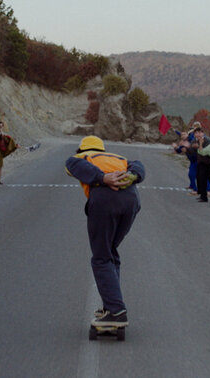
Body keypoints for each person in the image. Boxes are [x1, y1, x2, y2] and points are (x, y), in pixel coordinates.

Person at [65, 136, 145, 327]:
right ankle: (111, 306)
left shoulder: (80, 157)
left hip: (104, 200)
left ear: (81, 149)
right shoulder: (118, 157)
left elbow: (73, 166)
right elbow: (139, 166)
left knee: (101, 257)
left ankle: (116, 311)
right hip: (131, 200)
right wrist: (132, 176)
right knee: (110, 252)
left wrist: (102, 178)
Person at [194, 128, 210, 202]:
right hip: (201, 162)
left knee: (208, 179)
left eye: (199, 132)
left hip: (208, 163)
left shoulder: (207, 140)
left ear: (202, 133)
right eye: (196, 133)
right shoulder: (197, 140)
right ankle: (203, 195)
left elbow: (208, 152)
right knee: (201, 179)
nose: (197, 134)